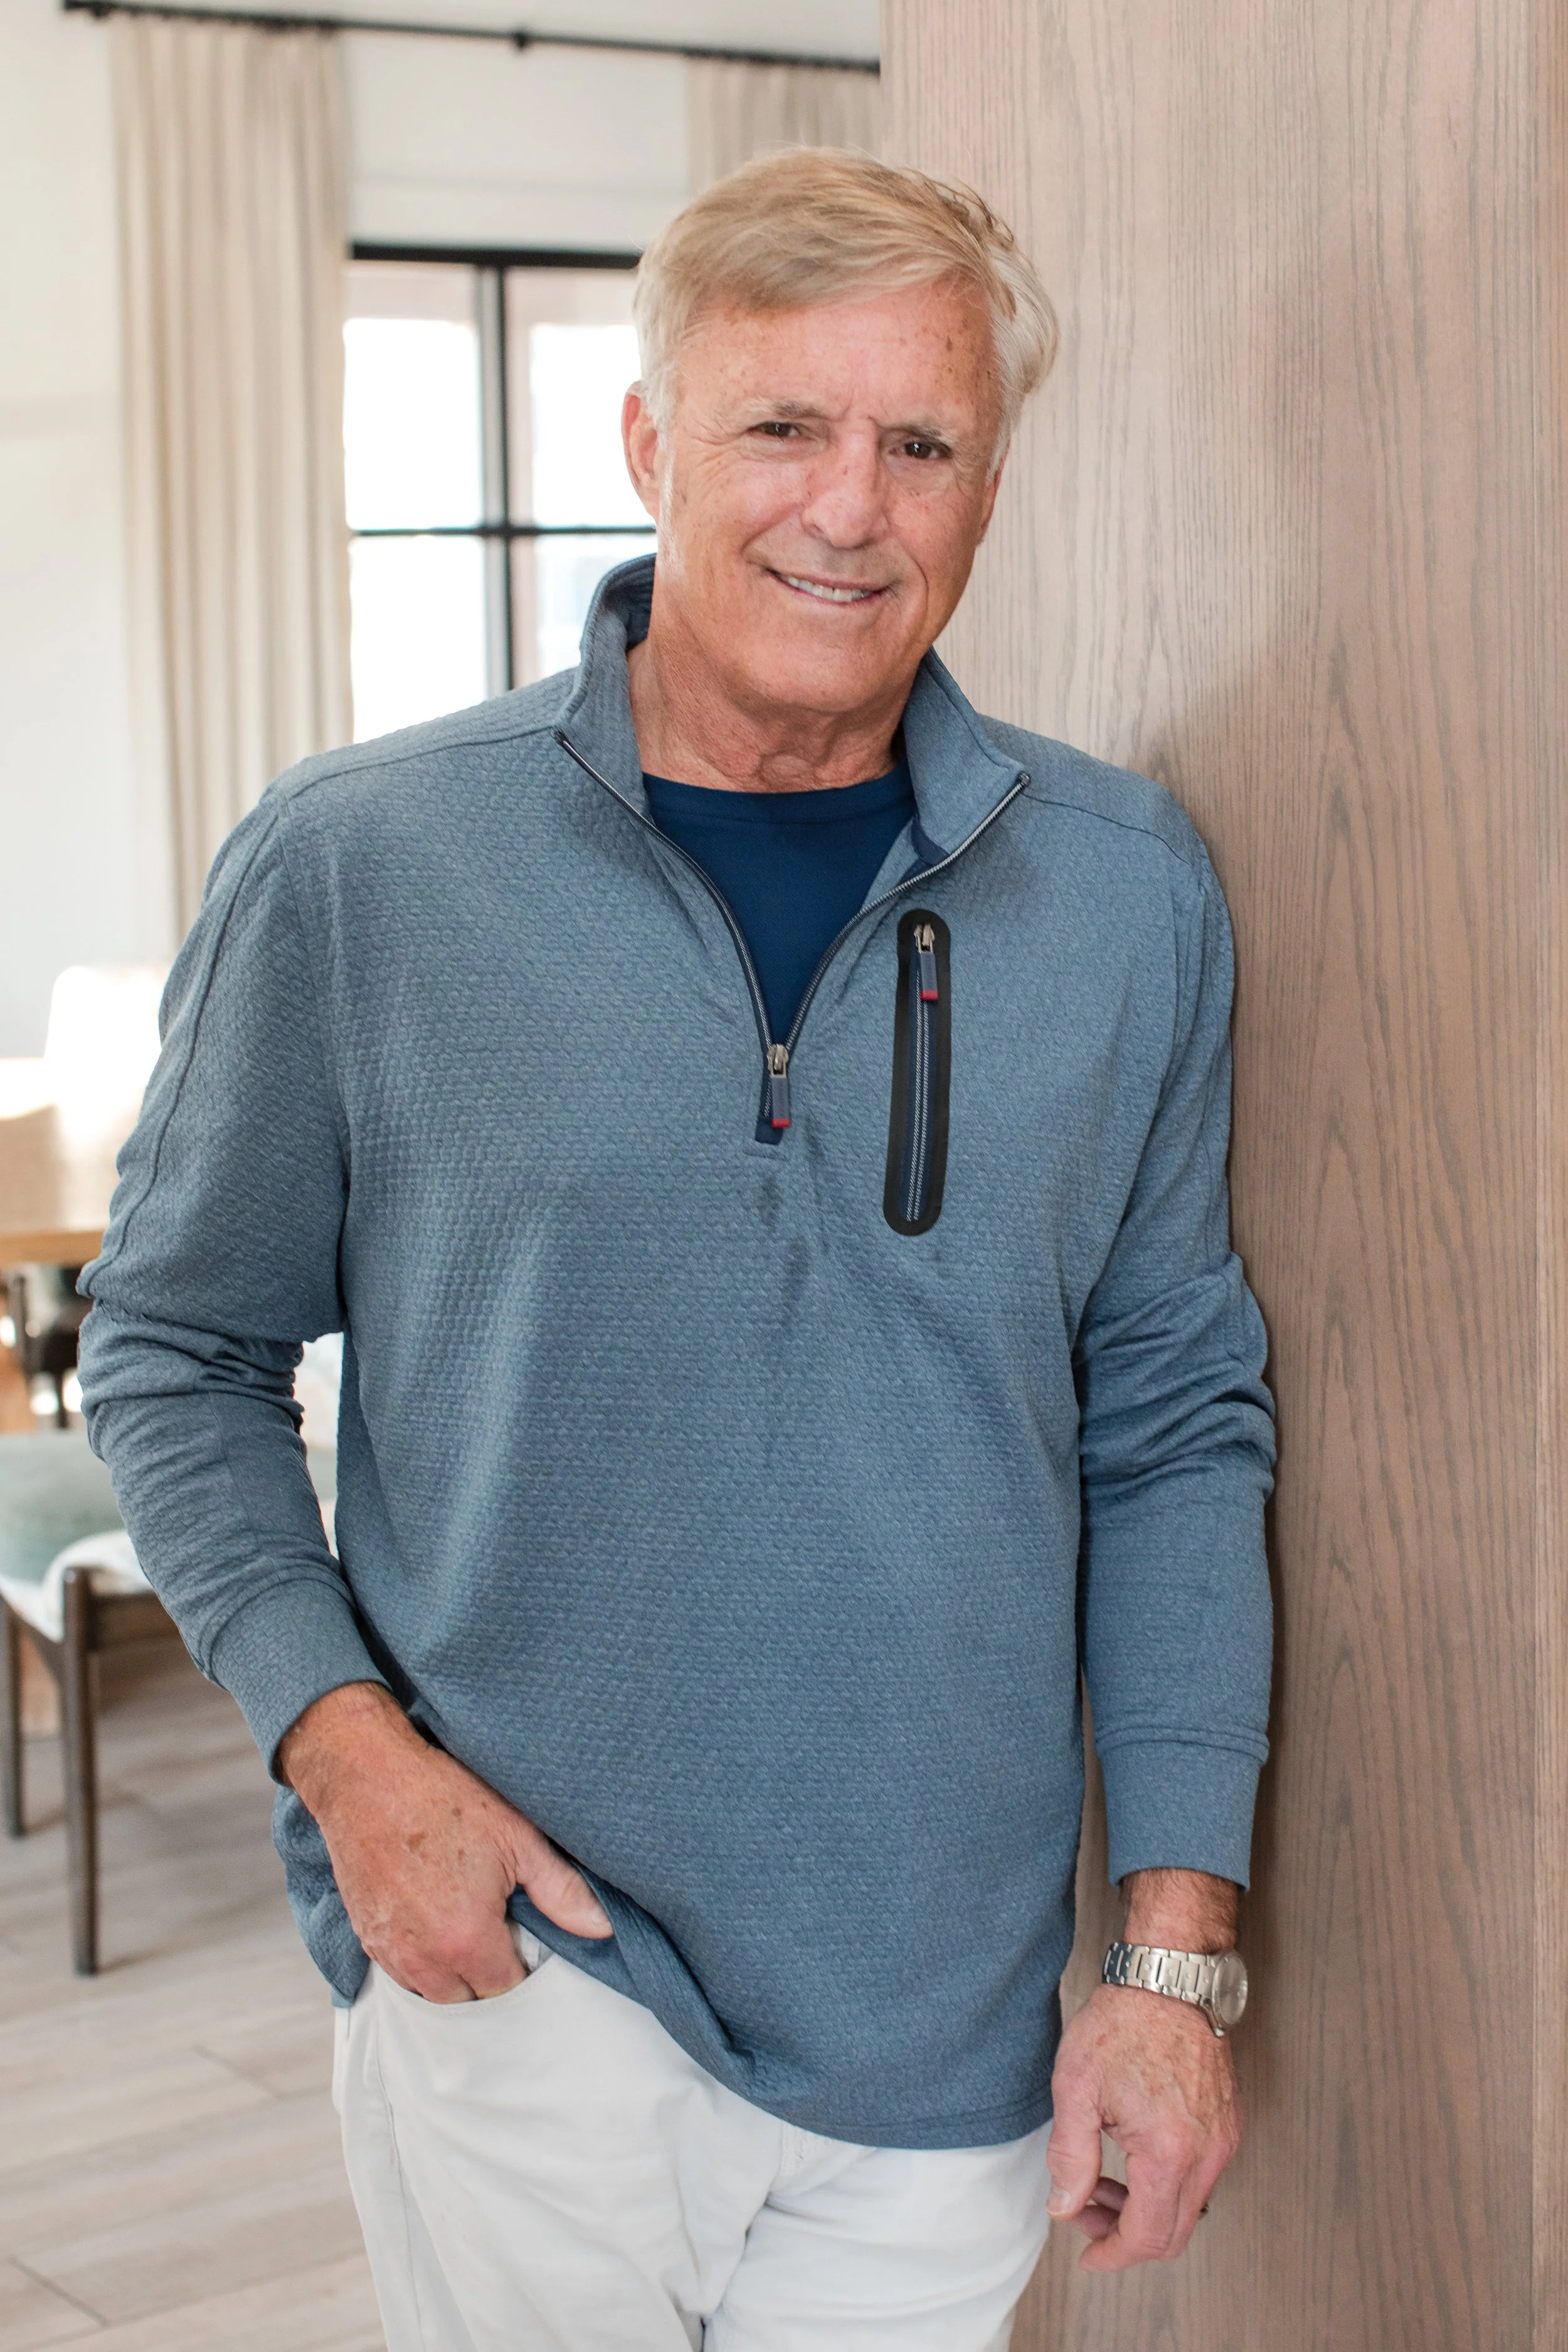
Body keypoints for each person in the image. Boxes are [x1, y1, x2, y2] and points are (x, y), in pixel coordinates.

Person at [77, 148, 1274, 2351]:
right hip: (522, 1965)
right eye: (779, 428)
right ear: (648, 447)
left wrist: (1169, 1959)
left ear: (988, 483)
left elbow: (1179, 1427)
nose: (849, 505)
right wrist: (347, 1756)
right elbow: (168, 1345)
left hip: (950, 2028)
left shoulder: (1126, 894)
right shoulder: (365, 868)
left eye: (919, 442)